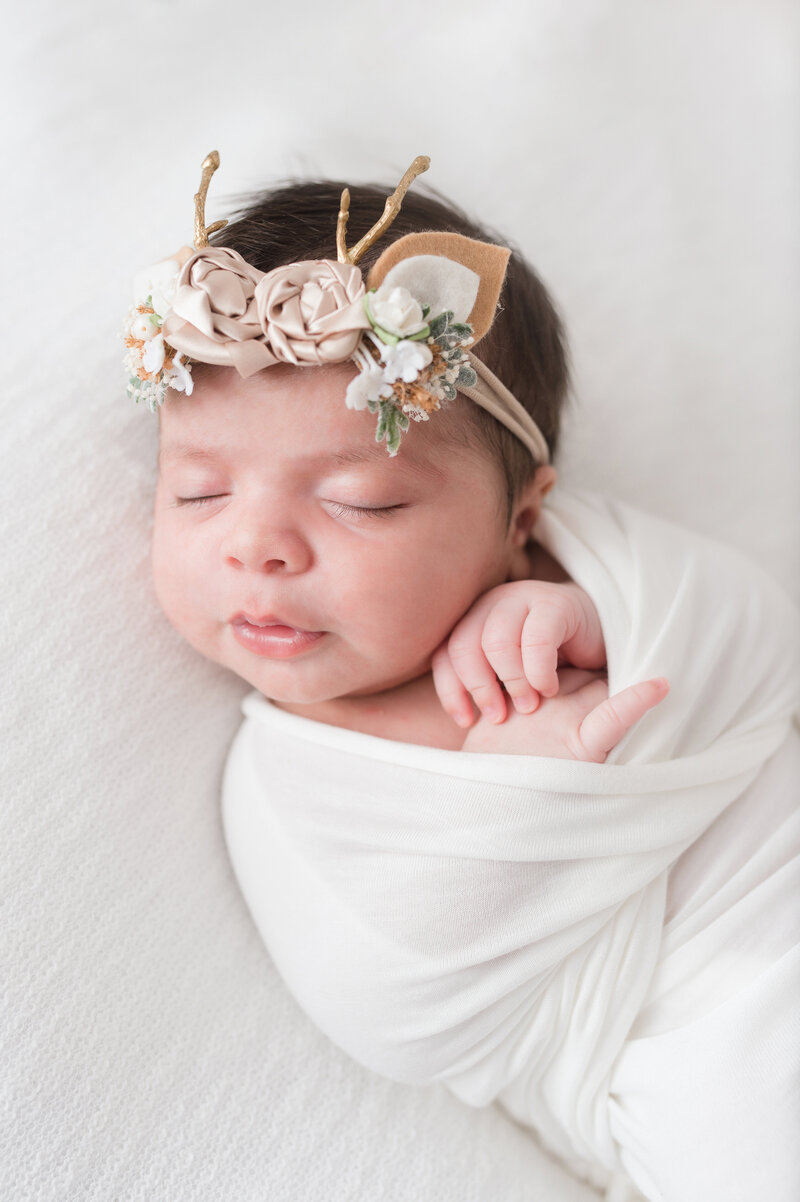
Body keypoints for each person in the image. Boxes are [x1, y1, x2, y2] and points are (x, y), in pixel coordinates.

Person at [130, 153, 800, 1201]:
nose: (254, 544)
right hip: (680, 1045)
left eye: (361, 499)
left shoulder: (593, 569)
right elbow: (390, 1007)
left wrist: (595, 614)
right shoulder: (293, 770)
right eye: (198, 491)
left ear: (518, 517)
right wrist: (527, 796)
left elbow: (755, 642)